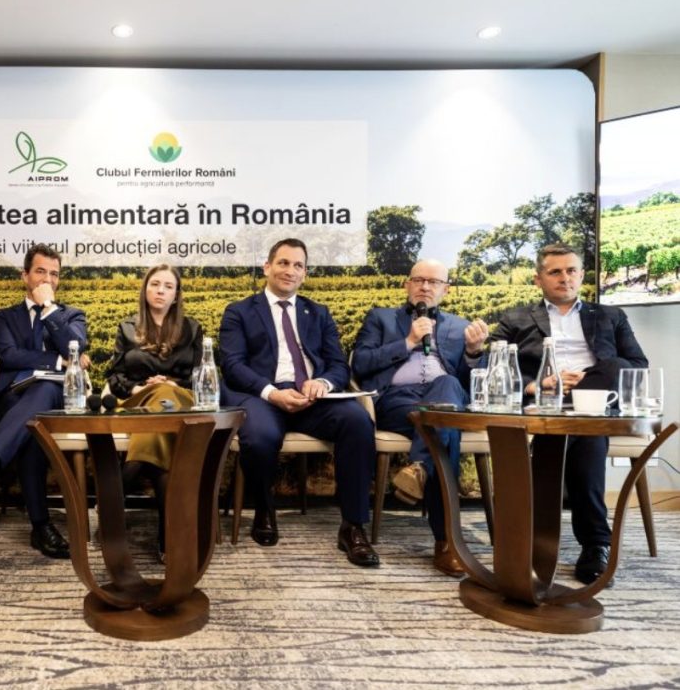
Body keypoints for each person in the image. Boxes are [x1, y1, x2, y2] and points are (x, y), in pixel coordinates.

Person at [465, 243, 648, 585]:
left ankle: (533, 538)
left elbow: (638, 365)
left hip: (598, 401)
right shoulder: (515, 318)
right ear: (538, 279)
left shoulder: (611, 316)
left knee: (612, 367)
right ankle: (596, 544)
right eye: (555, 272)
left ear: (581, 274)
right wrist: (538, 385)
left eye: (572, 270)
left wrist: (588, 381)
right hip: (546, 405)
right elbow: (492, 365)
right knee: (587, 435)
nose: (566, 278)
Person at [218, 238, 379, 567]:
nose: (290, 271)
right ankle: (264, 509)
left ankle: (352, 526)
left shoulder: (318, 313)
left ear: (305, 274)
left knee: (358, 422)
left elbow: (338, 365)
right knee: (260, 437)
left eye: (298, 265)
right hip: (263, 395)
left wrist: (321, 382)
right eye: (283, 262)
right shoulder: (239, 311)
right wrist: (271, 392)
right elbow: (233, 365)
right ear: (267, 267)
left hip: (311, 397)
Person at [0, 244, 87, 559]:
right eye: (40, 271)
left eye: (54, 274)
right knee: (33, 426)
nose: (47, 278)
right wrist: (57, 360)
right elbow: (8, 356)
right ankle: (41, 527)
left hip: (57, 402)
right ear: (25, 275)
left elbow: (74, 346)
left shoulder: (70, 315)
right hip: (11, 398)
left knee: (45, 394)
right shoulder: (5, 317)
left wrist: (48, 309)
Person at [352, 259, 484, 576]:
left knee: (448, 389)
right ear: (407, 284)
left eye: (434, 282)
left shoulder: (459, 325)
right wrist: (409, 341)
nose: (425, 286)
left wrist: (474, 353)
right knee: (443, 431)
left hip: (445, 399)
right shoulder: (380, 318)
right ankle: (447, 542)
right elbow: (360, 364)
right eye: (419, 280)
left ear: (446, 289)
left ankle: (420, 467)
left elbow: (472, 384)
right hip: (397, 400)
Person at [107, 264, 203, 563]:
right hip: (139, 401)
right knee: (165, 446)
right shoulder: (127, 327)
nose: (161, 290)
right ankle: (168, 537)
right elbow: (114, 377)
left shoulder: (193, 329)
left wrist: (170, 384)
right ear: (145, 290)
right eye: (155, 284)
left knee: (166, 396)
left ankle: (125, 477)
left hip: (181, 400)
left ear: (176, 295)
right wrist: (136, 390)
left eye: (168, 286)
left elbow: (201, 376)